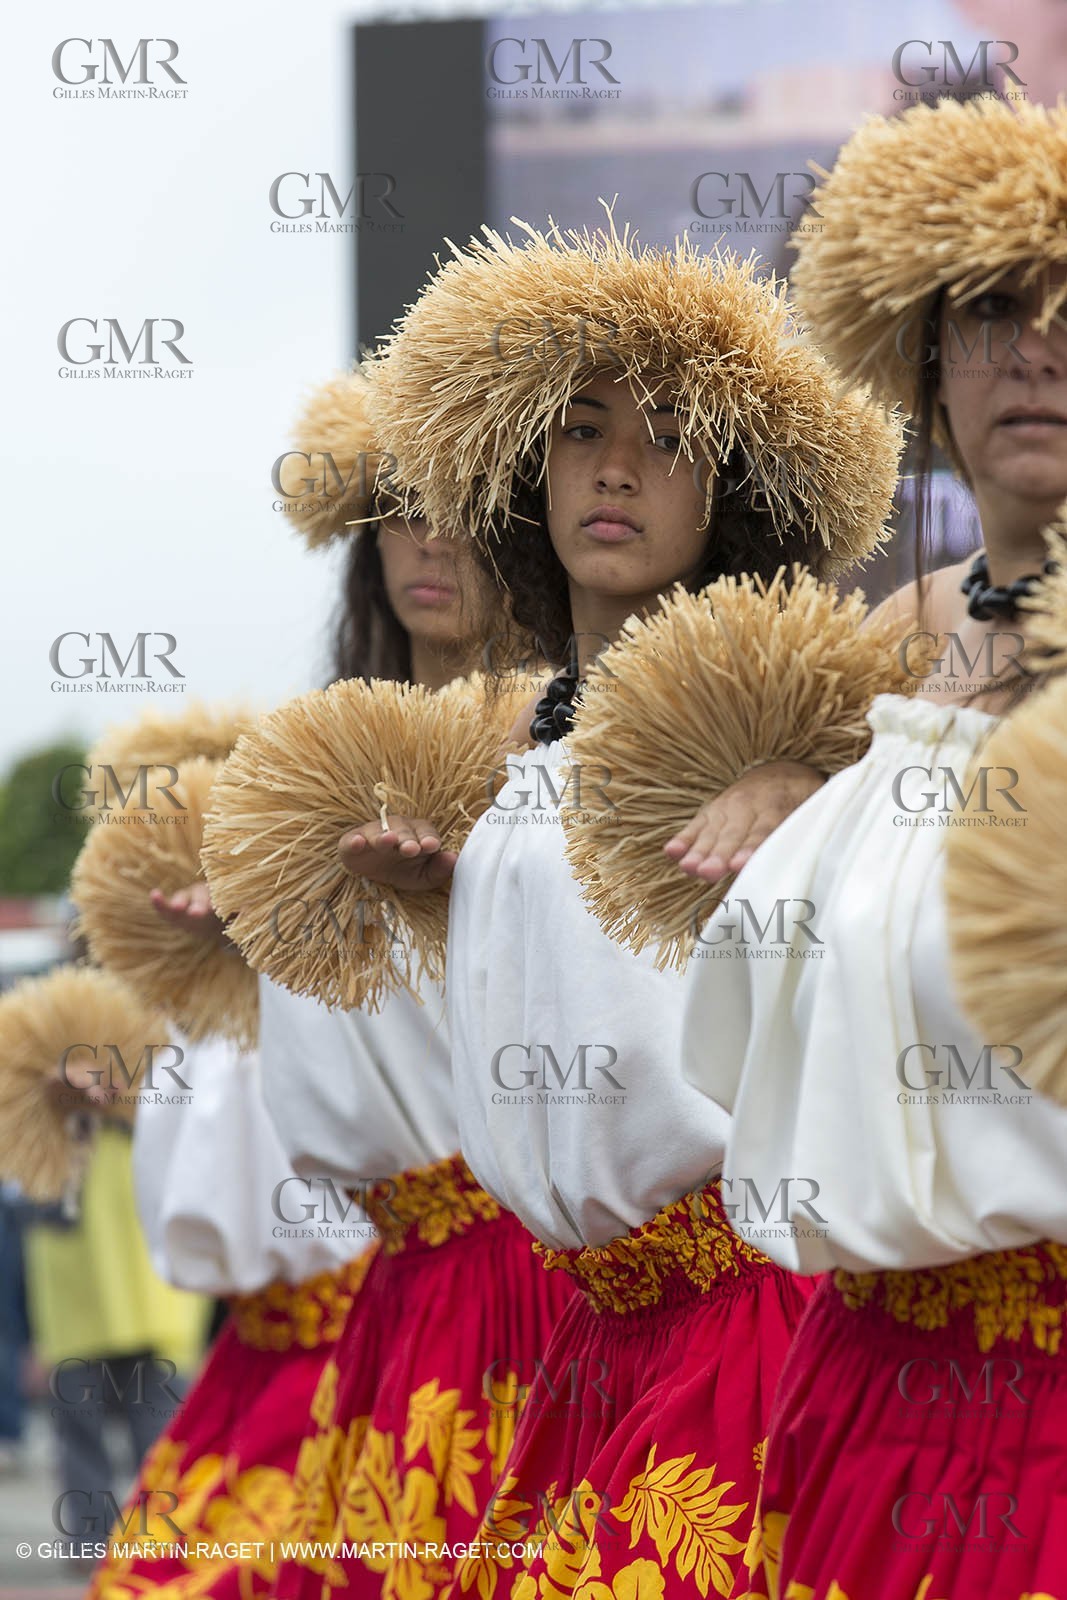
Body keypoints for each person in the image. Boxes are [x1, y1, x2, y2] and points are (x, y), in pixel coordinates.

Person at [340, 216, 902, 1599]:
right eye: (580, 431)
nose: (613, 466)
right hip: (586, 1338)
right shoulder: (522, 734)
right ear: (527, 479)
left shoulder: (795, 707)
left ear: (730, 491)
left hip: (741, 1320)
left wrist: (791, 781)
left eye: (665, 436)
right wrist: (442, 896)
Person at [676, 95, 1067, 1599]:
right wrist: (782, 783)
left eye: (1064, 307)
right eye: (983, 311)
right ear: (920, 361)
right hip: (869, 1389)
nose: (1030, 350)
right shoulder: (883, 647)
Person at [187, 369, 576, 1600]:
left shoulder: (562, 744)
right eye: (401, 506)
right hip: (400, 1282)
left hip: (532, 1270)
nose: (432, 537)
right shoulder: (306, 766)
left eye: (464, 503)